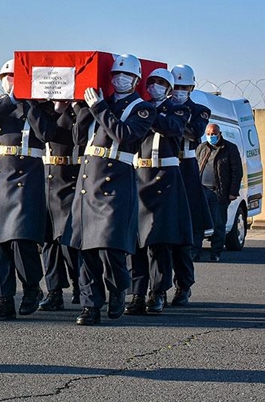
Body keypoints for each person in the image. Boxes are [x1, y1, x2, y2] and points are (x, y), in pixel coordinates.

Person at [62, 54, 155, 326]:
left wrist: (99, 107)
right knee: (85, 248)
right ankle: (91, 306)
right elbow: (79, 138)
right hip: (88, 181)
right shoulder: (99, 102)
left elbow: (123, 134)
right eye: (115, 74)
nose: (119, 79)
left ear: (136, 80)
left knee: (109, 246)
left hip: (115, 181)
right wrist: (82, 108)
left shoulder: (143, 109)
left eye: (125, 75)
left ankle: (118, 286)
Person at [0, 58, 51, 321]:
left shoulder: (41, 107)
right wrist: (11, 100)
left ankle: (30, 288)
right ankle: (3, 299)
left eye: (16, 76)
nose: (10, 81)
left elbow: (46, 132)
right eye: (7, 76)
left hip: (26, 175)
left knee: (20, 238)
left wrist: (28, 103)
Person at [125, 69, 193, 316]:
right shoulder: (138, 108)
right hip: (139, 176)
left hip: (165, 178)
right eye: (151, 82)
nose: (154, 86)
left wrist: (146, 112)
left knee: (159, 241)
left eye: (160, 83)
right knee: (137, 241)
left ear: (169, 87)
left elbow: (172, 128)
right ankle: (137, 293)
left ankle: (158, 292)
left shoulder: (178, 109)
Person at [30, 100, 82, 311]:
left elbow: (79, 136)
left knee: (69, 240)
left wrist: (73, 105)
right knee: (48, 241)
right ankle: (54, 291)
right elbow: (42, 133)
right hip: (45, 177)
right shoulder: (42, 111)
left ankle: (81, 285)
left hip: (69, 177)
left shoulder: (78, 110)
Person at [168, 64, 211, 305]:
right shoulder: (161, 108)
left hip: (185, 169)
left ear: (192, 88)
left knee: (183, 237)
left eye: (184, 87)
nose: (179, 91)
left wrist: (171, 120)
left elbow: (195, 133)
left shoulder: (200, 110)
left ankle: (183, 286)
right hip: (161, 168)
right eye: (175, 87)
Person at [196, 124, 243, 262]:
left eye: (214, 133)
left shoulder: (229, 148)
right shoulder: (202, 148)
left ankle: (215, 253)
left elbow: (237, 172)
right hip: (202, 191)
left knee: (218, 224)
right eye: (209, 133)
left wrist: (233, 192)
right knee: (198, 224)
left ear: (220, 133)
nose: (211, 136)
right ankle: (195, 253)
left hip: (219, 192)